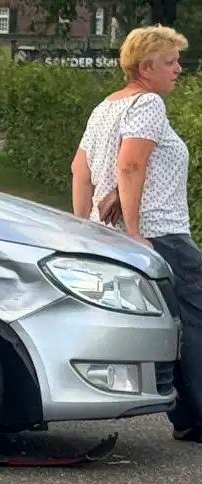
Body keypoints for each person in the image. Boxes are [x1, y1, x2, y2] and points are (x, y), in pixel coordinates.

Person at [71, 25, 202, 440]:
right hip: (161, 235)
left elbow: (80, 171)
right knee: (195, 323)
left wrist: (83, 229)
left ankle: (187, 419)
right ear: (146, 67)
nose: (178, 68)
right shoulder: (147, 104)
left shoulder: (106, 107)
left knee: (171, 326)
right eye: (171, 62)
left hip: (112, 237)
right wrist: (134, 230)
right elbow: (130, 165)